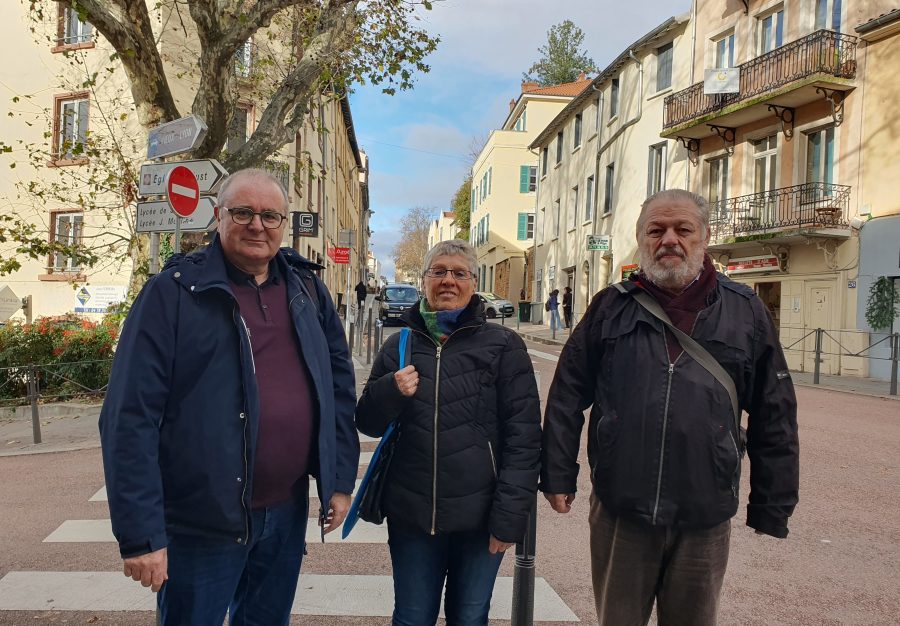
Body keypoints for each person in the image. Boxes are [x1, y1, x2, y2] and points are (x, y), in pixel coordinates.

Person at [99, 169, 359, 625]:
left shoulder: (307, 290)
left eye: (270, 215)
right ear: (219, 216)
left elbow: (337, 389)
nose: (257, 225)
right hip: (201, 522)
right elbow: (129, 417)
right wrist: (142, 534)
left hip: (285, 512)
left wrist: (338, 481)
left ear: (284, 222)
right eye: (243, 212)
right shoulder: (174, 293)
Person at [540, 189, 799, 626]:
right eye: (656, 230)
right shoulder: (611, 306)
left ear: (705, 237)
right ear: (641, 238)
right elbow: (567, 393)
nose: (669, 240)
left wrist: (772, 504)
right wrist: (558, 473)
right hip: (621, 506)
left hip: (705, 510)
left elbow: (775, 411)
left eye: (683, 229)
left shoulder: (745, 310)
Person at [356, 239, 542, 626]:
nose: (448, 281)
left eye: (459, 273)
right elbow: (367, 422)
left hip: (480, 517)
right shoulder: (399, 344)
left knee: (470, 617)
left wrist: (509, 517)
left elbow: (523, 440)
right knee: (411, 617)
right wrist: (390, 390)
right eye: (438, 271)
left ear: (473, 282)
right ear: (423, 280)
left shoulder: (504, 346)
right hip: (412, 515)